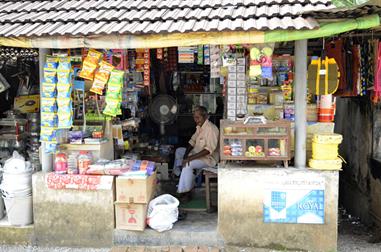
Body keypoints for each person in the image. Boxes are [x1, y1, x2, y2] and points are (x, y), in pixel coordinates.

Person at [175, 106, 219, 198]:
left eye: (198, 117)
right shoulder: (199, 127)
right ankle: (179, 175)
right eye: (194, 117)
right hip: (197, 154)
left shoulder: (211, 129)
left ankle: (185, 191)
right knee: (179, 151)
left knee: (188, 164)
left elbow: (208, 150)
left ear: (205, 116)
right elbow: (192, 141)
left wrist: (189, 158)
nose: (196, 120)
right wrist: (185, 156)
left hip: (208, 159)